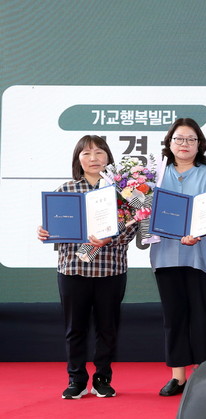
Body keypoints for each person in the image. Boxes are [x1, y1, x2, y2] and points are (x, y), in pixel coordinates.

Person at [37, 135, 138, 399]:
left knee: (107, 328)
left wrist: (110, 238)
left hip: (110, 270)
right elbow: (55, 225)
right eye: (86, 153)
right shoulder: (66, 189)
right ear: (78, 159)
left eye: (99, 152)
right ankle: (77, 380)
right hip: (73, 269)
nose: (93, 158)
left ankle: (102, 378)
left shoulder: (123, 191)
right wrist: (46, 231)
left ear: (108, 157)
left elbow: (132, 227)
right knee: (75, 328)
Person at [150, 118, 206, 396]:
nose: (184, 144)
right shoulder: (154, 176)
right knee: (174, 317)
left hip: (202, 255)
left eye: (190, 139)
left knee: (202, 315)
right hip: (166, 255)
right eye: (178, 138)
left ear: (200, 145)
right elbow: (145, 214)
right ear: (169, 143)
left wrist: (198, 232)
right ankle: (178, 377)